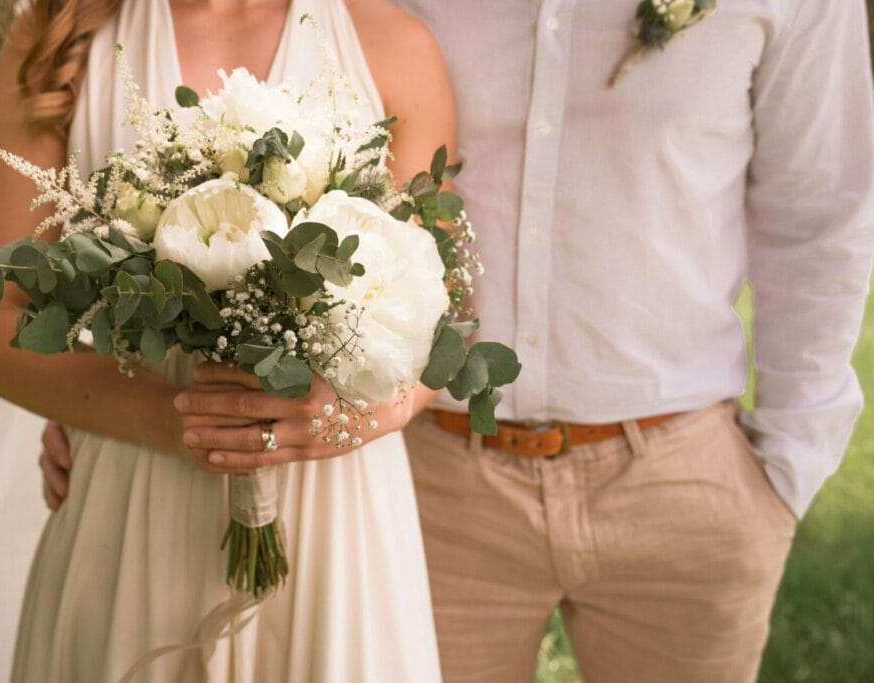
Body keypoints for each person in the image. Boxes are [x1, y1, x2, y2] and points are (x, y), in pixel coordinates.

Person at [44, 0, 874, 681]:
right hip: (427, 474)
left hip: (682, 482)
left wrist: (785, 466)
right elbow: (282, 99)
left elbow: (822, 214)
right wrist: (131, 379)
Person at [0, 0, 453, 680]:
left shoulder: (393, 44)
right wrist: (162, 415)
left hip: (337, 511)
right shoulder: (59, 37)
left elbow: (438, 319)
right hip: (133, 501)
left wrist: (344, 418)